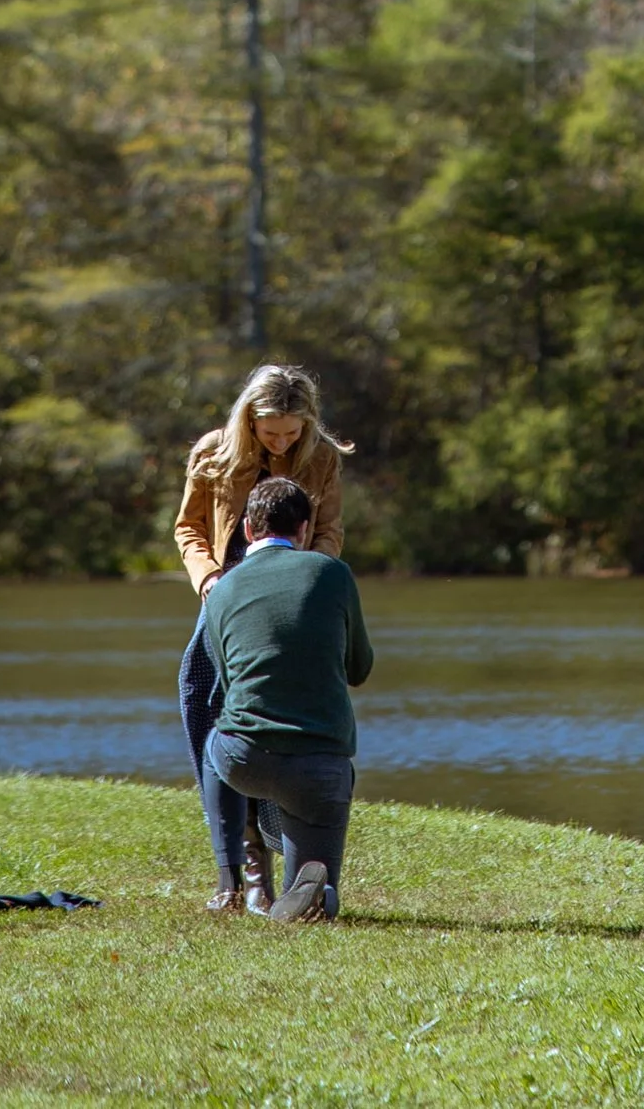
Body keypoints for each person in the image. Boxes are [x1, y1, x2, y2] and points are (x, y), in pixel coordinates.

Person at [174, 362, 354, 896]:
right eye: (268, 430)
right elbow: (188, 527)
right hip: (224, 596)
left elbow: (329, 530)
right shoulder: (213, 453)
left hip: (291, 601)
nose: (280, 441)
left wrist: (308, 579)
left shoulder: (321, 456)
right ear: (247, 419)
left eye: (290, 432)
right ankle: (240, 873)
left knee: (279, 720)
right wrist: (208, 581)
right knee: (206, 705)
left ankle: (284, 852)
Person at [197, 473, 373, 924]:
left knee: (213, 739)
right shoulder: (332, 573)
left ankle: (231, 874)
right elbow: (360, 669)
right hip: (322, 763)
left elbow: (228, 680)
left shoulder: (221, 591)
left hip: (245, 757)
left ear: (249, 530)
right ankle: (315, 895)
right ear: (304, 529)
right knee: (317, 875)